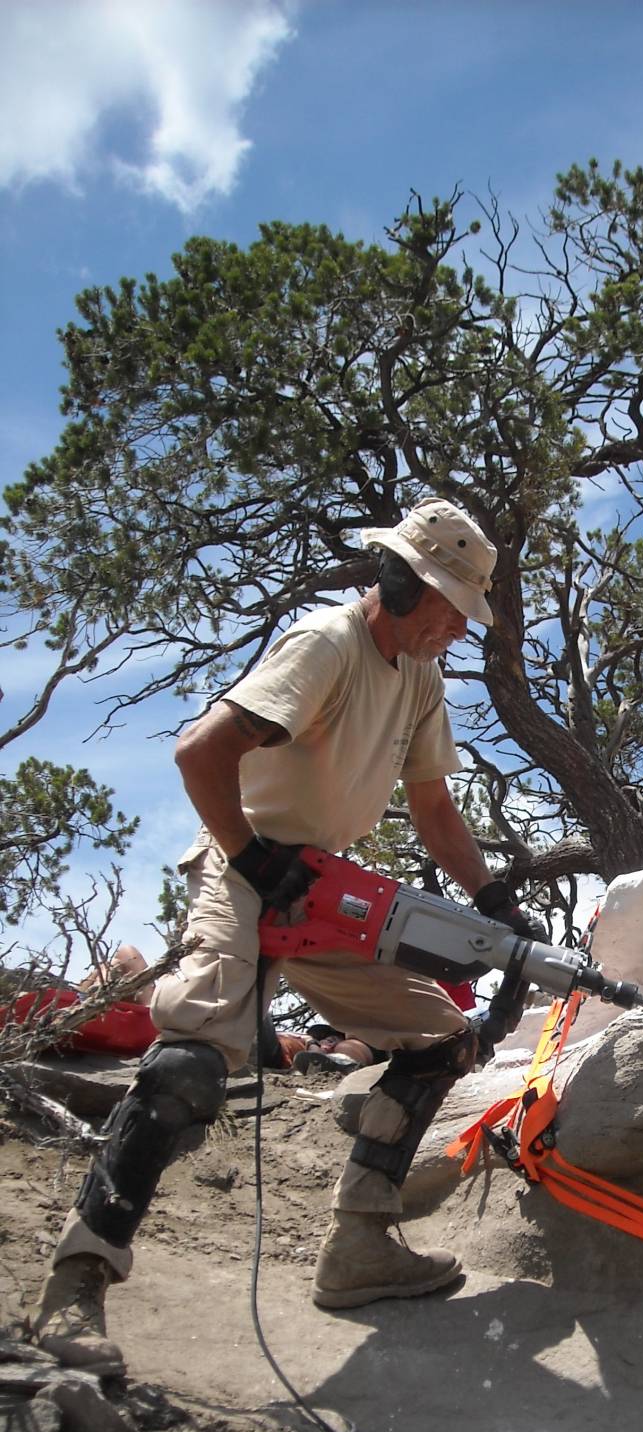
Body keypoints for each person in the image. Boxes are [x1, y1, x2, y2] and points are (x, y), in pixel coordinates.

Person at [32, 498, 540, 1372]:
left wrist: (494, 898)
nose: (458, 629)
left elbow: (433, 806)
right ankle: (77, 1280)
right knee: (195, 1055)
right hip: (245, 867)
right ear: (404, 583)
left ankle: (359, 1248)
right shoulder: (327, 646)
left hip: (319, 887)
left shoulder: (419, 679)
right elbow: (200, 753)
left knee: (440, 1036)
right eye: (452, 609)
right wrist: (251, 859)